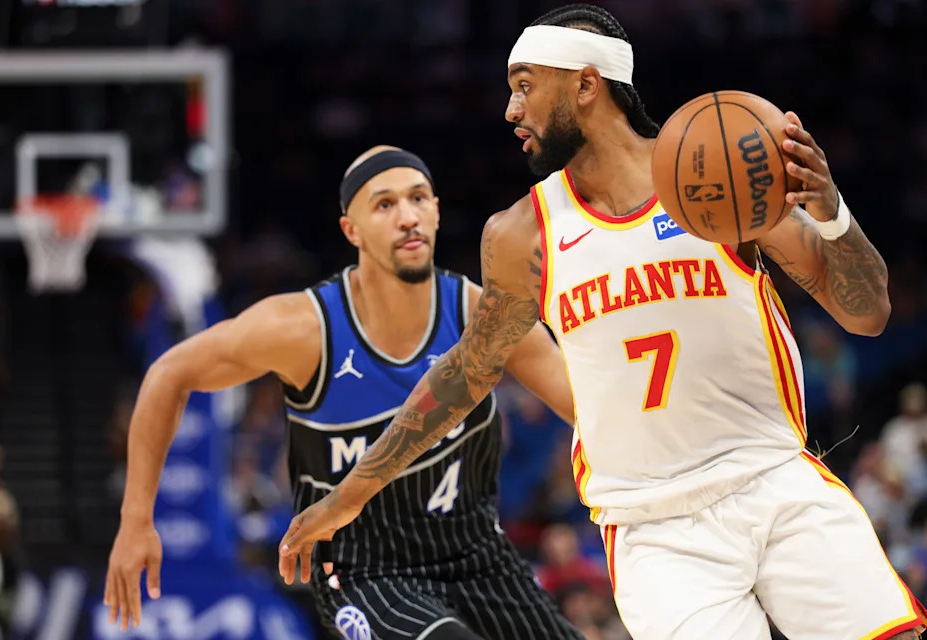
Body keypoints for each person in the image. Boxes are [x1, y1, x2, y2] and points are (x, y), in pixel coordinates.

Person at [279, 5, 927, 640]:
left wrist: (833, 213)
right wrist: (351, 492)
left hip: (776, 481)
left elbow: (866, 313)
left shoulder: (718, 169)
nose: (511, 110)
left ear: (585, 83)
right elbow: (463, 377)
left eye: (525, 87)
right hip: (657, 531)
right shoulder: (521, 234)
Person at [104, 145, 584, 640]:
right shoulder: (304, 327)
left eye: (419, 199)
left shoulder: (483, 318)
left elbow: (589, 412)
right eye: (384, 204)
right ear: (350, 230)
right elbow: (168, 374)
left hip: (477, 558)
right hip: (365, 573)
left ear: (437, 211)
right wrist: (136, 519)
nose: (407, 217)